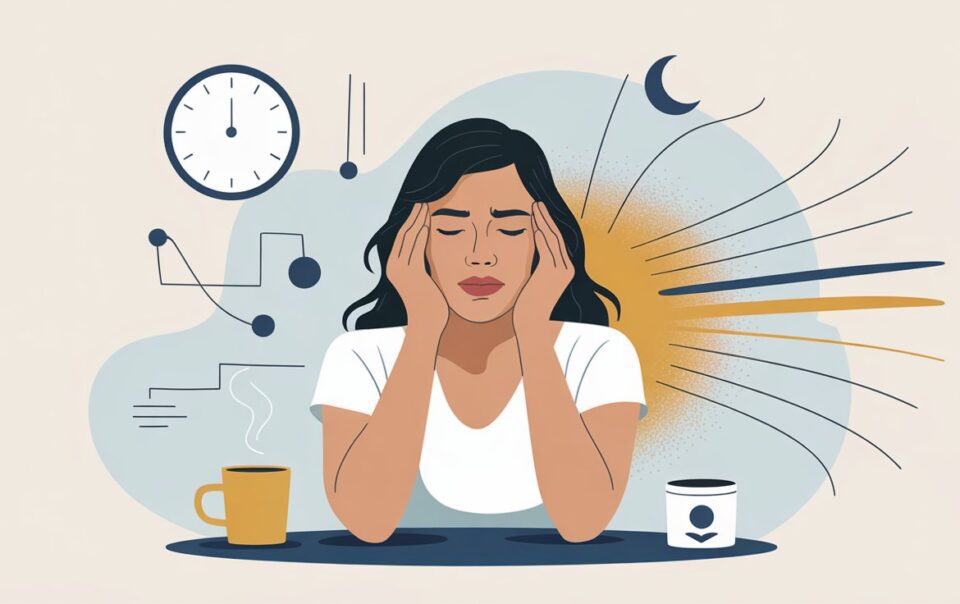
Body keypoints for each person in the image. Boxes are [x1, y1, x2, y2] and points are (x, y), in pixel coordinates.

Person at [311, 117, 645, 543]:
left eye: (509, 228)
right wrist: (423, 330)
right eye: (450, 228)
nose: (480, 255)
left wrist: (533, 332)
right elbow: (369, 522)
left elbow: (582, 522)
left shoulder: (601, 354)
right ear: (413, 240)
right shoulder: (359, 356)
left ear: (546, 239)